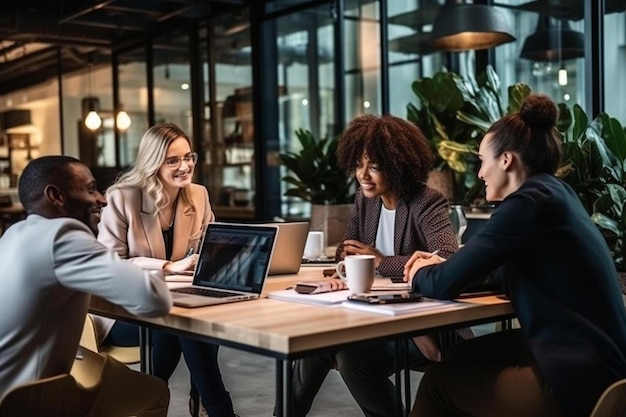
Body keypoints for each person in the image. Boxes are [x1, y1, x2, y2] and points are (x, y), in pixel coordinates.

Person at [404, 93, 626, 417]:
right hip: (606, 365)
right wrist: (451, 267)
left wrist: (418, 273)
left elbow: (440, 285)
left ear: (506, 160)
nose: (479, 173)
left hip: (575, 382)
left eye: (482, 160)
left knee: (438, 383)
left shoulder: (525, 205)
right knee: (458, 357)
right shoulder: (556, 193)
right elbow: (504, 269)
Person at [289, 114, 458, 417]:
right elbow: (350, 248)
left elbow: (447, 257)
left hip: (421, 328)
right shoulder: (365, 200)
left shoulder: (425, 201)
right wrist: (347, 255)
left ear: (398, 165)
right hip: (370, 316)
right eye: (358, 165)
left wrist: (382, 262)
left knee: (354, 361)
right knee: (311, 347)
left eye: (375, 166)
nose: (363, 175)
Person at [0, 155, 172, 417]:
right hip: (28, 399)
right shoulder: (64, 235)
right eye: (91, 189)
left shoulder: (13, 234)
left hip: (7, 386)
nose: (101, 198)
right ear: (56, 195)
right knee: (155, 392)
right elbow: (154, 300)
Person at [97, 122, 237, 417]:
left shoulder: (197, 195)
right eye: (173, 160)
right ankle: (215, 409)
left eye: (189, 157)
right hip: (122, 311)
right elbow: (108, 264)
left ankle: (147, 405)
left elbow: (209, 247)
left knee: (189, 318)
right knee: (180, 324)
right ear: (153, 163)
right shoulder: (122, 198)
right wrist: (169, 267)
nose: (185, 166)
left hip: (172, 302)